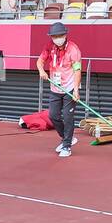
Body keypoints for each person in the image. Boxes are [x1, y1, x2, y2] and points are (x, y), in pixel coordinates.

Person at [37, 22, 82, 158]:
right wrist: (41, 71)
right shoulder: (49, 46)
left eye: (59, 35)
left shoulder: (73, 49)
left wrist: (76, 90)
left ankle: (67, 146)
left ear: (65, 35)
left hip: (69, 88)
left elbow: (77, 70)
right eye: (54, 36)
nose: (57, 38)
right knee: (53, 116)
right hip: (55, 87)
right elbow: (40, 61)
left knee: (68, 118)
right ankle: (66, 138)